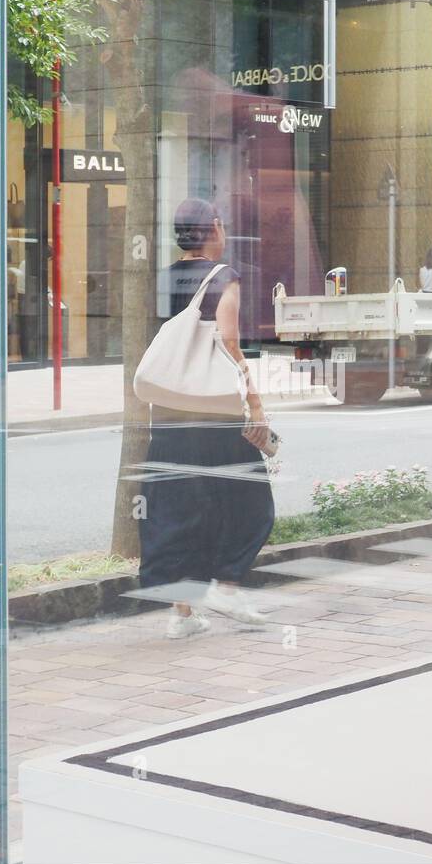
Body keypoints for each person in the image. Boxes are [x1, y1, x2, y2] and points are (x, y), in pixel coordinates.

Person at [138, 198, 276, 640]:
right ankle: (228, 588)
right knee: (250, 501)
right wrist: (254, 403)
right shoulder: (224, 276)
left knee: (181, 505)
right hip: (214, 409)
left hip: (171, 409)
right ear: (214, 228)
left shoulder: (164, 277)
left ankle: (183, 614)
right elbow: (229, 344)